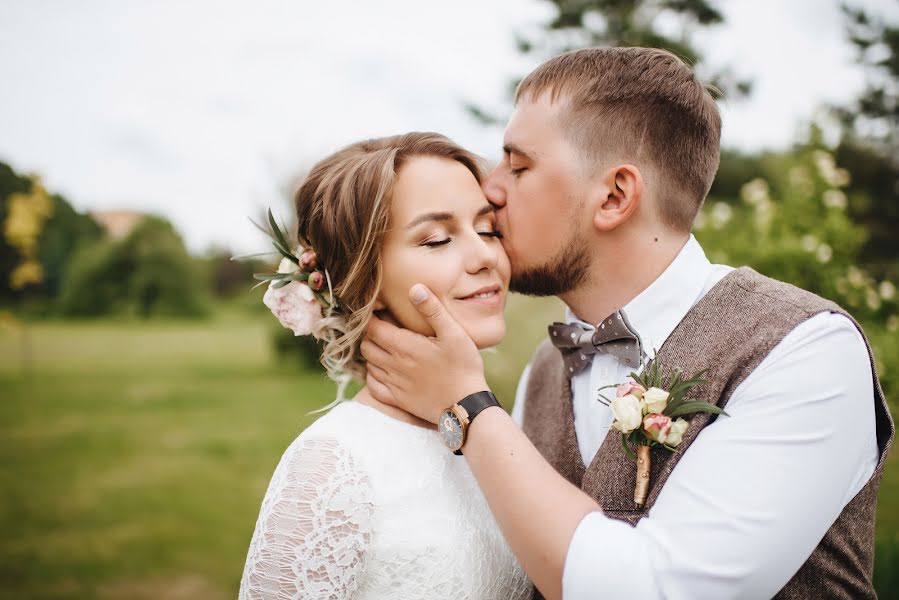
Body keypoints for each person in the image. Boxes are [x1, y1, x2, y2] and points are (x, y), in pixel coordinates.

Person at [361, 47, 894, 599]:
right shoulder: (546, 369)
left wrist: (468, 406)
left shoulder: (806, 350)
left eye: (518, 167)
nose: (490, 189)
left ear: (614, 197)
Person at [238, 132, 530, 600]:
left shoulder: (500, 429)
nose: (484, 257)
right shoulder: (331, 467)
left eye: (488, 229)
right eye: (437, 239)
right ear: (361, 277)